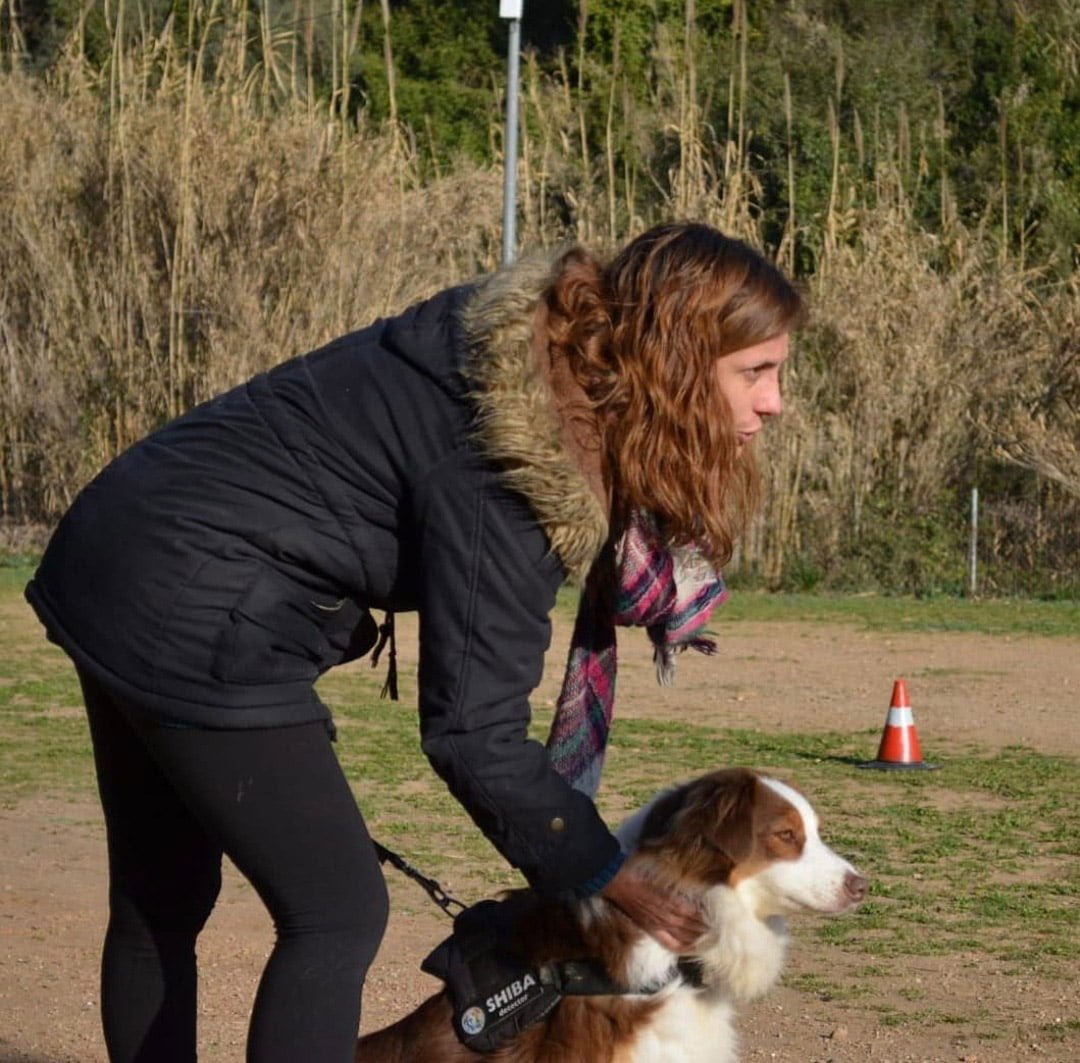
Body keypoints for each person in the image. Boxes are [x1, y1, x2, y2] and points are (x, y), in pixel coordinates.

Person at [25, 221, 803, 1062]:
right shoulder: (512, 458)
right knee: (335, 910)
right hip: (197, 597)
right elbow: (474, 732)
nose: (774, 400)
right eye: (754, 372)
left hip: (121, 544)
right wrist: (604, 873)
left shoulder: (530, 358)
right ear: (677, 363)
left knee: (160, 896)